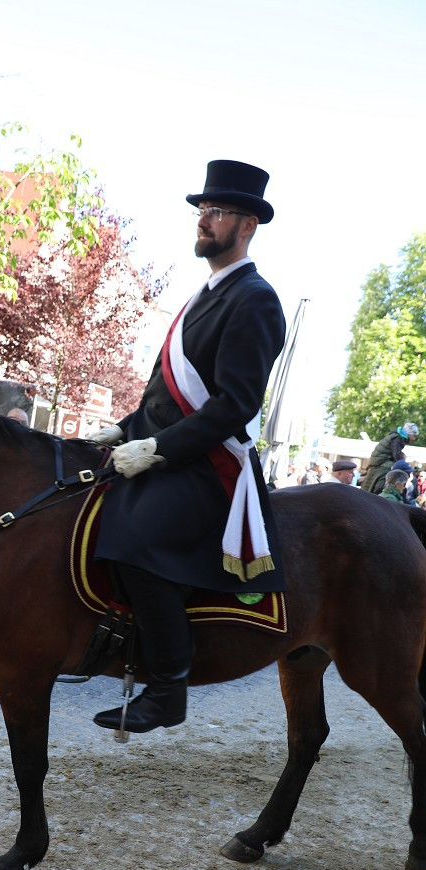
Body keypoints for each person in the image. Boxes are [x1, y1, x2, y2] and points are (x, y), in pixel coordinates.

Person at [91, 159, 286, 734]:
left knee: (134, 541)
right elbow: (164, 395)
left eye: (216, 212)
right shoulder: (202, 297)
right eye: (202, 211)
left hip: (207, 466)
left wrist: (155, 450)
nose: (204, 222)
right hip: (168, 449)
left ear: (247, 225)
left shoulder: (255, 299)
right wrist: (123, 428)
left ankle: (168, 687)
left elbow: (234, 404)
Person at [360, 423, 419, 494]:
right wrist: (403, 457)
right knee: (393, 472)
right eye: (414, 436)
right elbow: (396, 455)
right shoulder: (397, 438)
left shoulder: (394, 436)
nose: (414, 438)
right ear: (409, 433)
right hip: (381, 461)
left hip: (378, 461)